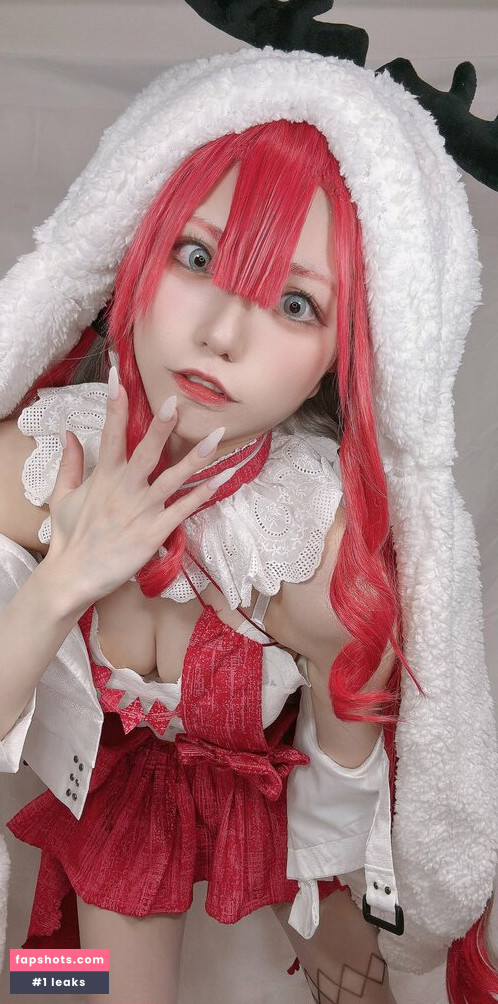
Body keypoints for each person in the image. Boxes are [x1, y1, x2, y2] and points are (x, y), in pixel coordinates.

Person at [0, 18, 497, 1004]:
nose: (223, 333)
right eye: (197, 255)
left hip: (272, 814)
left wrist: (335, 900)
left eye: (296, 304)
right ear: (131, 251)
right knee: (67, 988)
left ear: (343, 358)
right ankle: (53, 976)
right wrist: (62, 580)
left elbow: (340, 771)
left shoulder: (322, 553)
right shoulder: (39, 461)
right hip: (114, 807)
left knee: (352, 987)